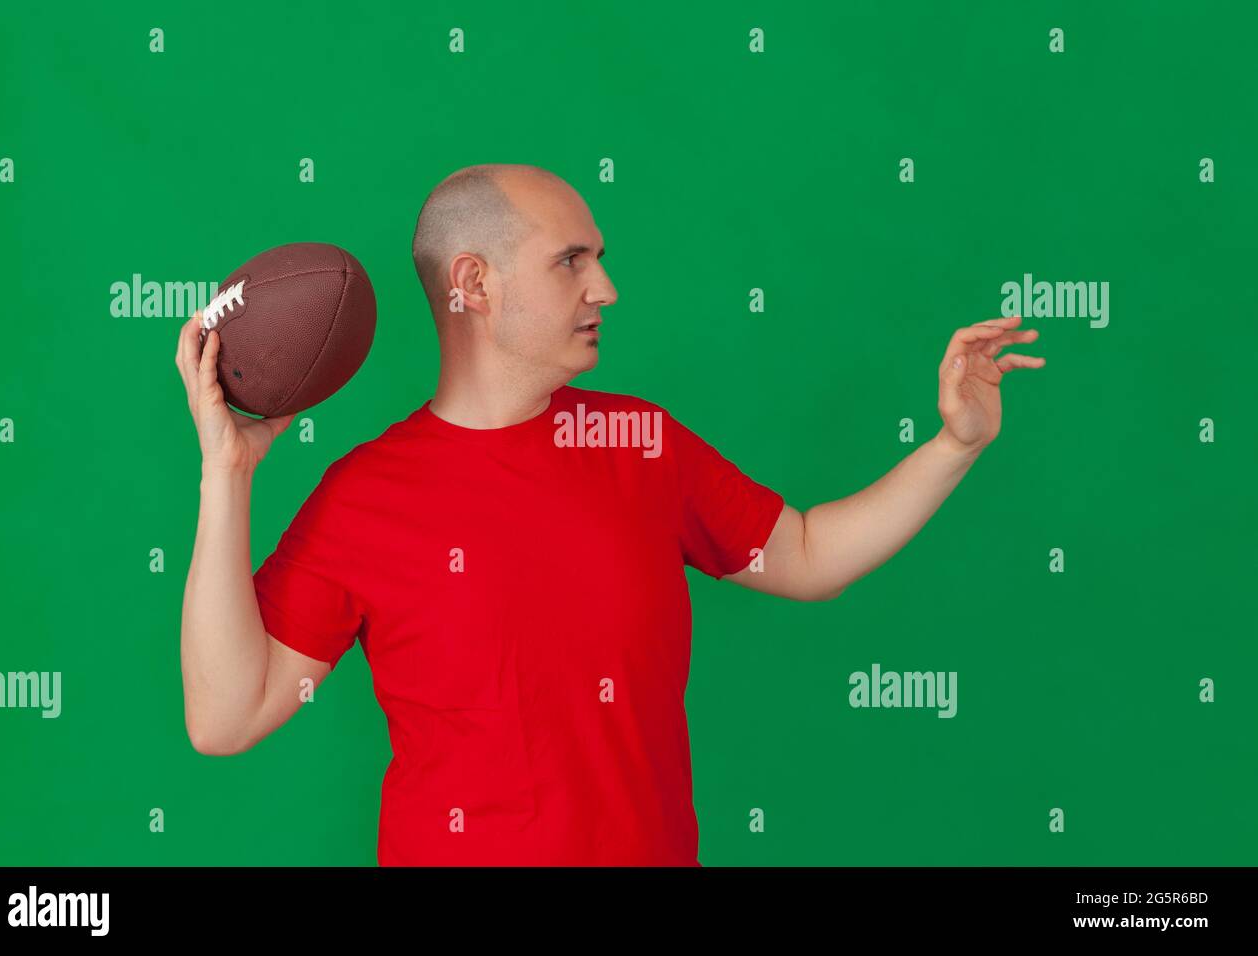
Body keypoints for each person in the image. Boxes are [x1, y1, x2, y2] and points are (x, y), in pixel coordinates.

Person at [175, 163, 1045, 866]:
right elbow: (226, 717)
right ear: (473, 283)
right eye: (572, 261)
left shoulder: (638, 441)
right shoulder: (365, 497)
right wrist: (228, 475)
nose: (608, 288)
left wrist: (953, 445)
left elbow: (808, 556)